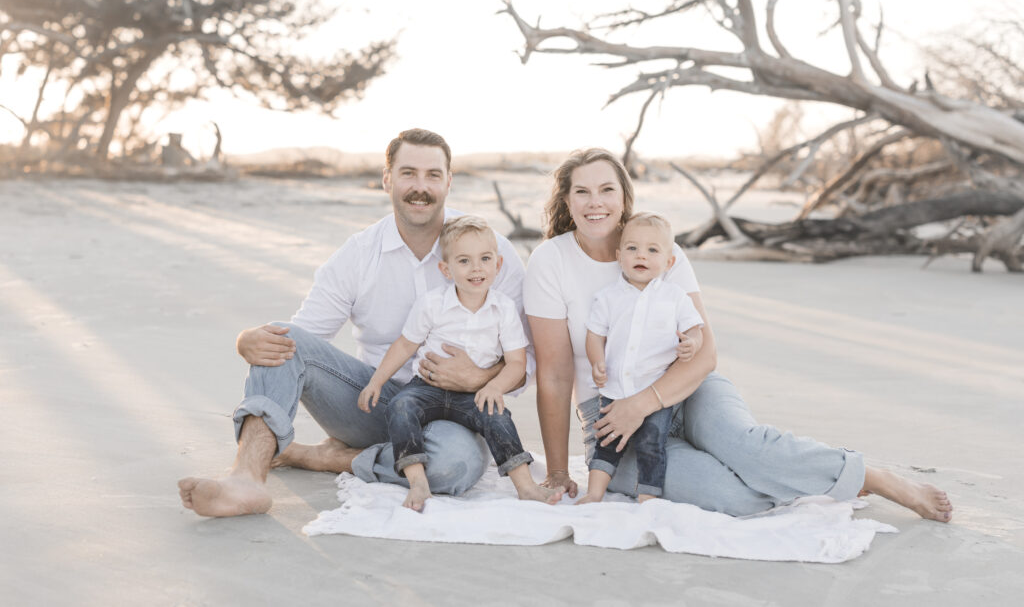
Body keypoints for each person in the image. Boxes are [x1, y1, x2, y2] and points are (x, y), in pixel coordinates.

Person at [524, 148, 953, 522]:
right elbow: (557, 376)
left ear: (624, 197)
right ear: (567, 200)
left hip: (686, 390)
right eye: (582, 191)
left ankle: (873, 477)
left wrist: (646, 401)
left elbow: (705, 352)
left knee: (746, 451)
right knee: (734, 497)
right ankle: (807, 470)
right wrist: (560, 470)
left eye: (606, 190)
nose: (594, 202)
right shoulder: (550, 262)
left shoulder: (659, 249)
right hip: (613, 421)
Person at [178, 129, 530, 517]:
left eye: (433, 175)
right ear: (387, 179)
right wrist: (247, 339)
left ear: (449, 181)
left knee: (454, 466)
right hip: (370, 403)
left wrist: (478, 378)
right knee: (279, 338)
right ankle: (245, 479)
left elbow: (528, 359)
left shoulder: (488, 251)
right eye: (408, 173)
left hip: (453, 417)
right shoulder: (359, 253)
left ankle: (326, 458)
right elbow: (303, 338)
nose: (420, 187)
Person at [358, 215, 563, 511]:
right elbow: (405, 345)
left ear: (498, 264)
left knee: (498, 416)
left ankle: (526, 486)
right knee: (400, 406)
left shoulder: (502, 310)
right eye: (464, 261)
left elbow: (517, 362)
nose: (476, 268)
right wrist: (376, 381)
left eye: (485, 258)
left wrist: (494, 386)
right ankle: (417, 481)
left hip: (473, 395)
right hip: (427, 387)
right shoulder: (432, 304)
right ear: (446, 269)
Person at [577, 212, 704, 505]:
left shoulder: (674, 297)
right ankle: (594, 493)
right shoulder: (608, 297)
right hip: (615, 388)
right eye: (632, 248)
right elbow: (595, 335)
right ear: (620, 256)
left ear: (669, 262)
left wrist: (691, 345)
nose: (641, 256)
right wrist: (597, 360)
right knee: (606, 441)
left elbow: (695, 330)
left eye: (652, 250)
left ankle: (648, 495)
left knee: (652, 442)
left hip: (656, 387)